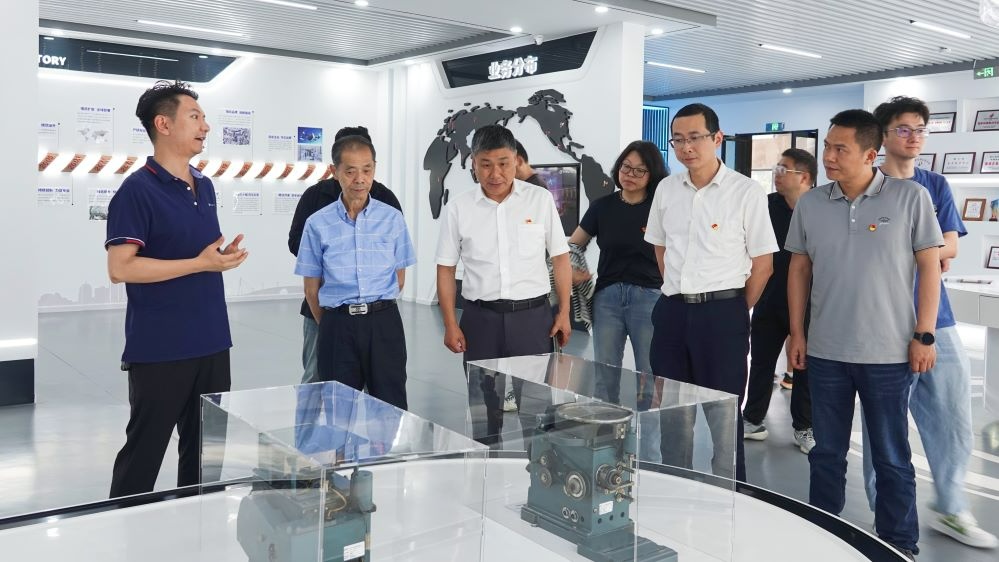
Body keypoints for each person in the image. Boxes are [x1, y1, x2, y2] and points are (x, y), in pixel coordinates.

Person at [786, 109, 943, 560]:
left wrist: (925, 335)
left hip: (889, 354)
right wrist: (797, 333)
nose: (829, 157)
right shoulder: (812, 203)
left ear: (871, 155)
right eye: (827, 146)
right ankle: (824, 535)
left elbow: (930, 267)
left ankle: (899, 545)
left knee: (891, 456)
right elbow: (798, 269)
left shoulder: (910, 197)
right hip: (826, 352)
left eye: (840, 149)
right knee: (826, 453)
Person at [864, 96, 997, 549]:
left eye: (920, 128)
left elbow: (951, 247)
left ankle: (951, 506)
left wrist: (918, 252)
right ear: (883, 136)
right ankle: (885, 515)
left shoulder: (934, 184)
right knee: (884, 425)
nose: (914, 136)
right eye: (903, 128)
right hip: (881, 320)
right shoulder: (868, 185)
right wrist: (926, 253)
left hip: (937, 318)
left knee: (953, 417)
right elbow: (875, 254)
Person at [105, 80, 248, 497]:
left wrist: (218, 258)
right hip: (161, 348)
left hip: (213, 342)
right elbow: (120, 267)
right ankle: (122, 523)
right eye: (195, 116)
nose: (206, 126)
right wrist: (201, 263)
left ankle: (197, 524)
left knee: (206, 456)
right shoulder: (137, 190)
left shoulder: (205, 185)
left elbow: (198, 251)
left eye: (204, 117)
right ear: (163, 124)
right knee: (143, 456)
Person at [644, 103, 777, 482]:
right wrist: (680, 292)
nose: (686, 147)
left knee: (723, 417)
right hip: (672, 313)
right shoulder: (667, 189)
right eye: (678, 140)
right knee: (674, 415)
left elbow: (763, 264)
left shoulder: (746, 192)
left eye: (695, 138)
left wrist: (733, 309)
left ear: (717, 138)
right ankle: (676, 485)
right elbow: (660, 248)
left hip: (722, 315)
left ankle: (728, 494)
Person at [436, 124, 572, 446]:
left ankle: (537, 469)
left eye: (503, 163)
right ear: (473, 164)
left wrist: (564, 312)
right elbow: (445, 269)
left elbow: (560, 258)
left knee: (536, 408)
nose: (495, 173)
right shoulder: (458, 208)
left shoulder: (539, 200)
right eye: (485, 164)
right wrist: (450, 323)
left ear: (516, 161)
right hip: (480, 320)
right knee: (483, 409)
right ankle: (486, 465)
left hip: (532, 319)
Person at [294, 135, 415, 410]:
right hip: (337, 325)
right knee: (339, 409)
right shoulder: (317, 223)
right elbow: (311, 289)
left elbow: (399, 277)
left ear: (374, 169)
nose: (360, 179)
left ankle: (388, 444)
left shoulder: (392, 218)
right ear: (335, 172)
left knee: (390, 406)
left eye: (367, 170)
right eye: (350, 171)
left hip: (383, 324)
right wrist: (333, 324)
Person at [742, 148, 816, 454]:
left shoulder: (820, 208)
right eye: (777, 168)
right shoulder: (766, 205)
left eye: (784, 169)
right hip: (769, 299)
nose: (777, 174)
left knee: (805, 367)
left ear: (805, 177)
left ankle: (804, 426)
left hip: (809, 303)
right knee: (761, 362)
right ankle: (752, 419)